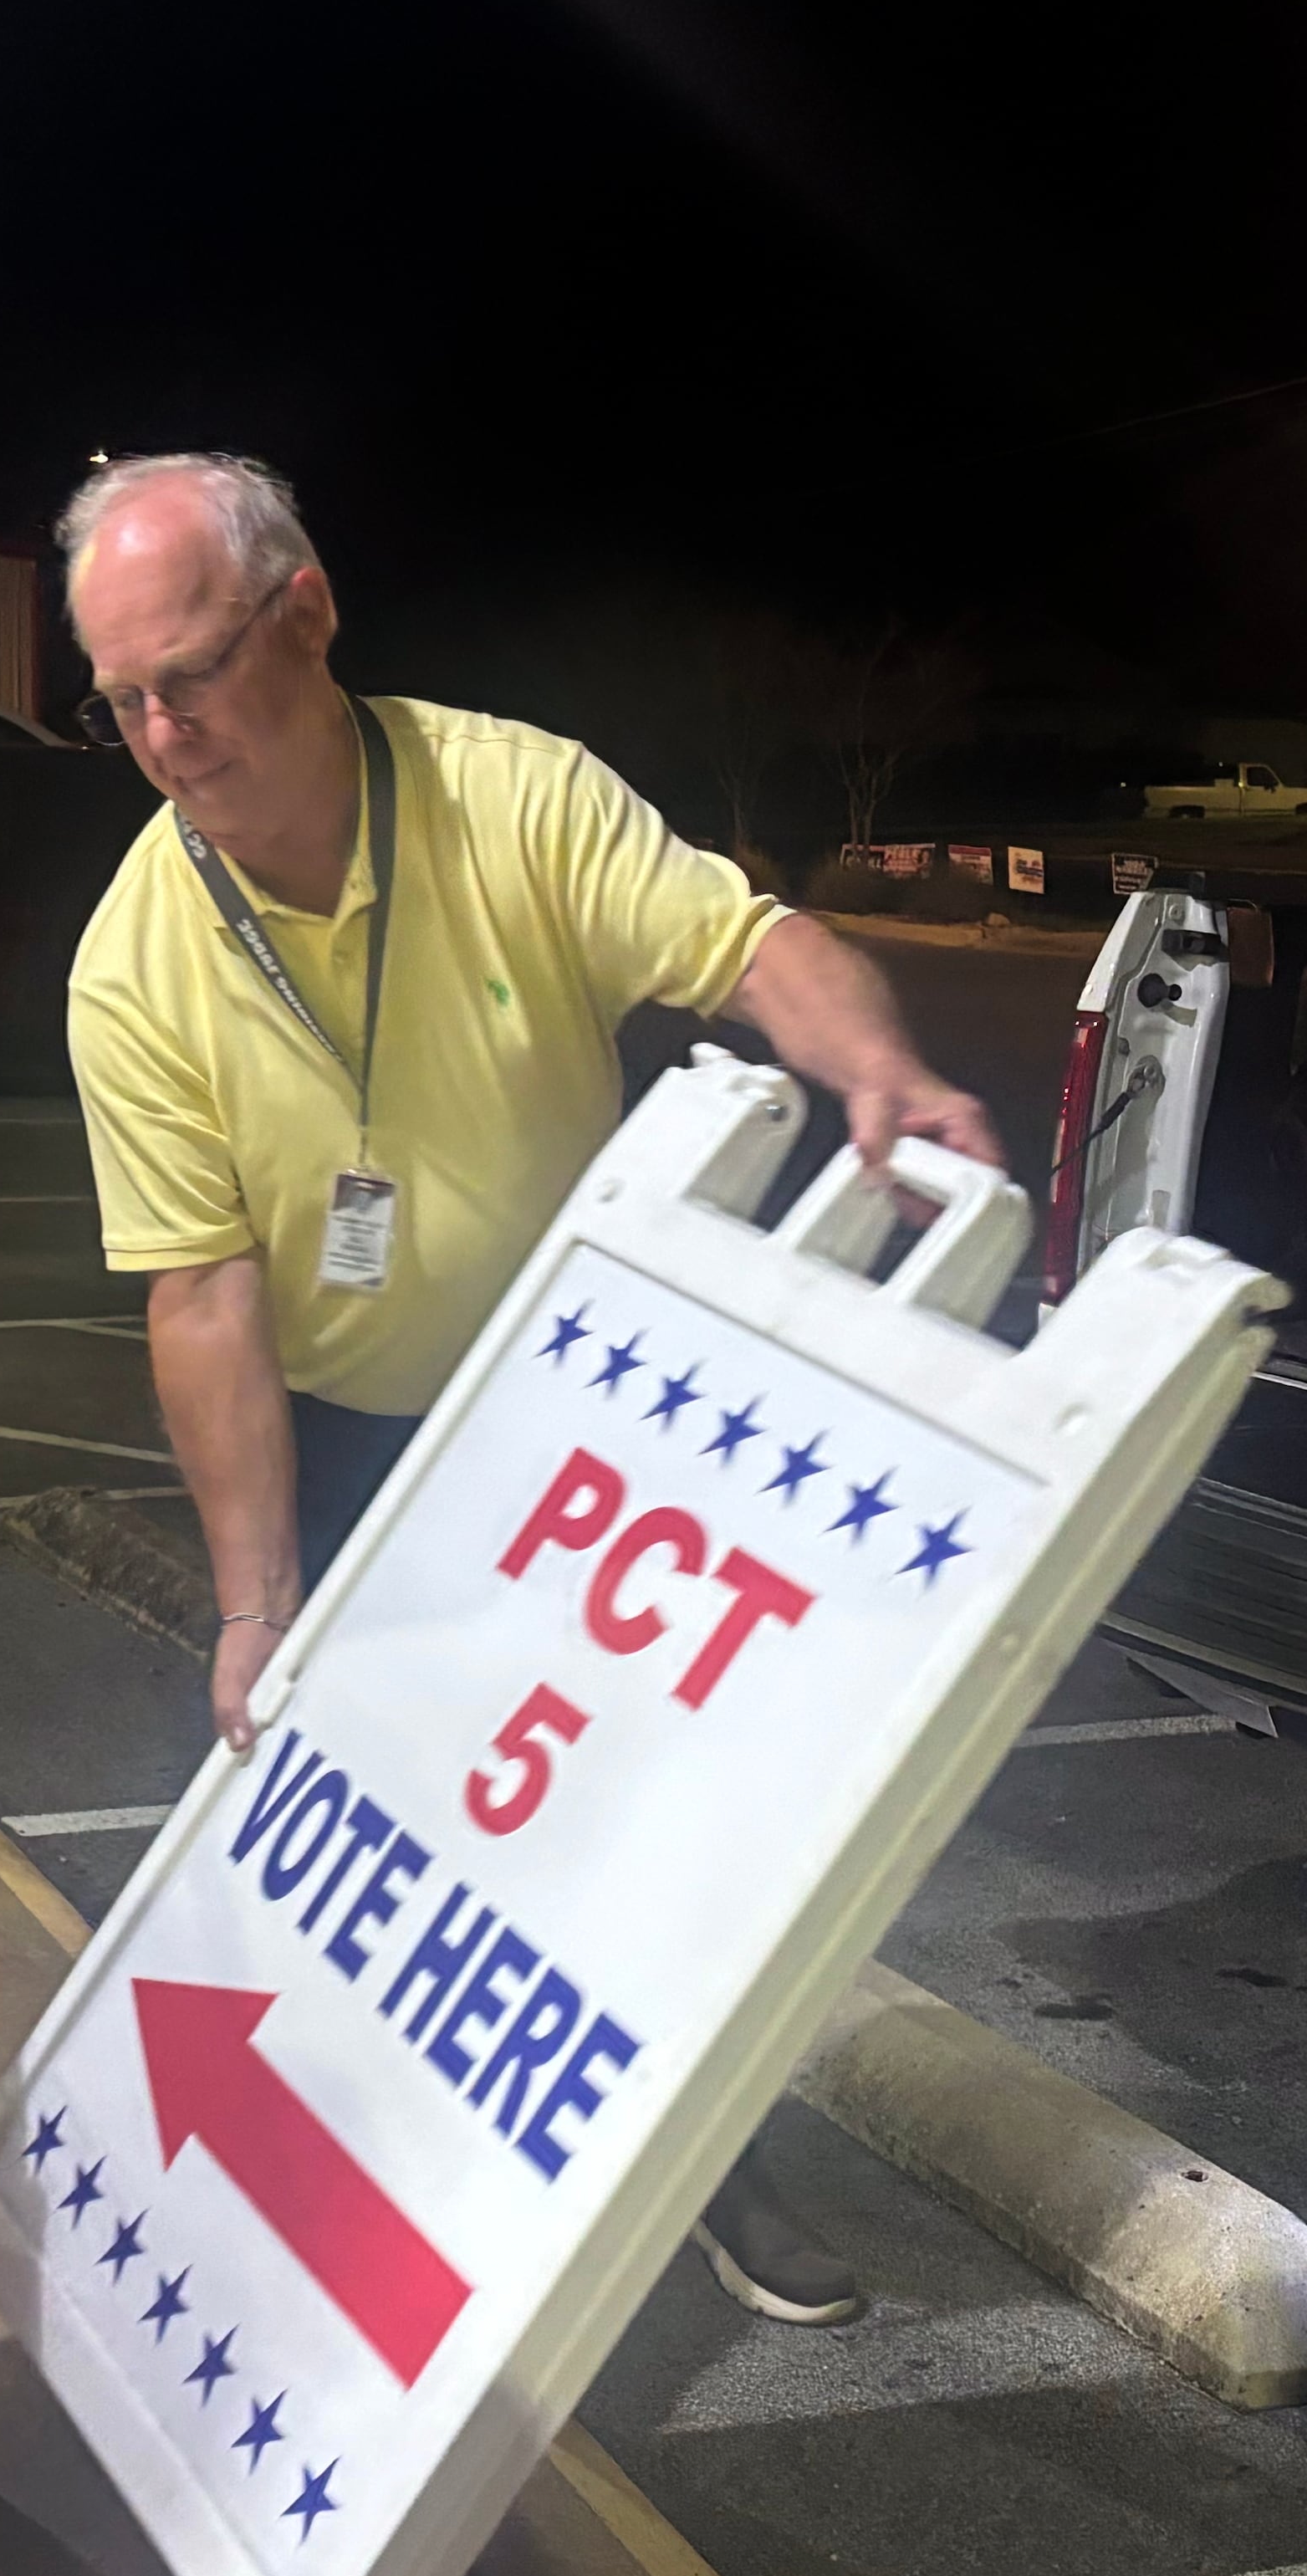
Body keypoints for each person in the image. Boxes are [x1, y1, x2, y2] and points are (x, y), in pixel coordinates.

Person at [56, 452, 1002, 2328]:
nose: (166, 736)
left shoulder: (505, 793)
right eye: (123, 703)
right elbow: (204, 1290)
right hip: (339, 1445)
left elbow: (750, 945)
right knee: (340, 1840)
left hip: (580, 1432)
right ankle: (351, 2209)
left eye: (195, 674)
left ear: (306, 611)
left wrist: (873, 1064)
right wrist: (256, 1601)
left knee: (641, 1829)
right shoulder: (131, 961)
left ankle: (699, 2168)